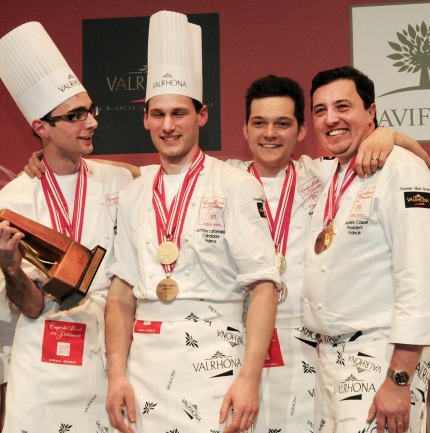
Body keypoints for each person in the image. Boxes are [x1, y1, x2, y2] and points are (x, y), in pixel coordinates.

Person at [225, 74, 430, 433]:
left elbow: (420, 161)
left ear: (301, 131)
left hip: (325, 347)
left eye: (283, 123)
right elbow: (158, 174)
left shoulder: (319, 171)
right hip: (255, 343)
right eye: (259, 123)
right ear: (244, 129)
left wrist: (388, 134)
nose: (270, 133)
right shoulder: (225, 178)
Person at [104, 11, 280, 433]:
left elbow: (263, 286)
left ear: (201, 116)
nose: (168, 126)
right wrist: (115, 377)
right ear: (144, 118)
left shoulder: (237, 185)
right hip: (144, 368)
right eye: (158, 114)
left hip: (217, 366)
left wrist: (250, 380)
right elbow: (121, 295)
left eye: (179, 113)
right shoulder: (132, 195)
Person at [0, 22, 132, 432]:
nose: (92, 123)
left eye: (91, 110)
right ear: (40, 127)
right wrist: (11, 267)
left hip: (107, 353)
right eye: (76, 115)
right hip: (43, 363)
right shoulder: (15, 198)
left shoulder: (118, 181)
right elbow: (30, 305)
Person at [302, 65, 430, 433]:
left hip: (382, 358)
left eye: (342, 107)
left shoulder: (402, 170)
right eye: (320, 110)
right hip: (332, 361)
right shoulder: (330, 172)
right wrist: (390, 134)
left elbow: (422, 278)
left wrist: (398, 380)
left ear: (370, 112)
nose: (331, 119)